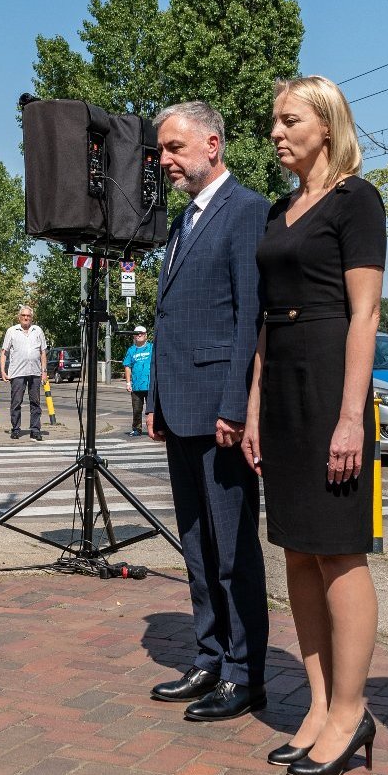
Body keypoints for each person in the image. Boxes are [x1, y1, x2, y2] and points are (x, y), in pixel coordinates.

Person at [238, 80, 382, 775]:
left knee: (338, 551)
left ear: (326, 125)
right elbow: (266, 319)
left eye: (289, 119)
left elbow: (366, 314)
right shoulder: (279, 209)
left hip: (332, 381)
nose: (276, 131)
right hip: (285, 384)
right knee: (296, 550)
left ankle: (353, 712)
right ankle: (320, 704)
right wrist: (257, 405)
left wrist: (352, 416)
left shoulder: (357, 200)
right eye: (274, 120)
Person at [143, 100, 272, 726]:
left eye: (173, 148)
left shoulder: (245, 211)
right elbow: (176, 316)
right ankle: (209, 654)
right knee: (195, 542)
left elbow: (248, 315)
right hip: (180, 405)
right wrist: (160, 401)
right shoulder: (182, 221)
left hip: (219, 410)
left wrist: (235, 407)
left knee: (231, 548)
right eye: (162, 150)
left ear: (212, 144)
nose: (164, 160)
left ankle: (245, 672)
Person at [0, 304, 47, 441]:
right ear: (19, 317)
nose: (26, 318)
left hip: (35, 372)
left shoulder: (37, 330)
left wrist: (44, 371)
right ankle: (15, 429)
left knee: (35, 402)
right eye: (23, 315)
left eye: (28, 316)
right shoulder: (12, 331)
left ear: (32, 318)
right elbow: (4, 352)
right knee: (16, 402)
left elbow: (43, 352)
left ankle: (35, 430)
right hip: (17, 372)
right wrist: (3, 370)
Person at [122, 325, 153, 437]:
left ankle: (155, 428)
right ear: (134, 336)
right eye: (137, 333)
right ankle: (136, 429)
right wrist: (128, 382)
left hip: (151, 385)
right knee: (136, 410)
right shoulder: (131, 350)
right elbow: (127, 366)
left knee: (153, 410)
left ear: (146, 335)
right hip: (136, 386)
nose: (139, 335)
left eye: (141, 333)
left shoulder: (152, 348)